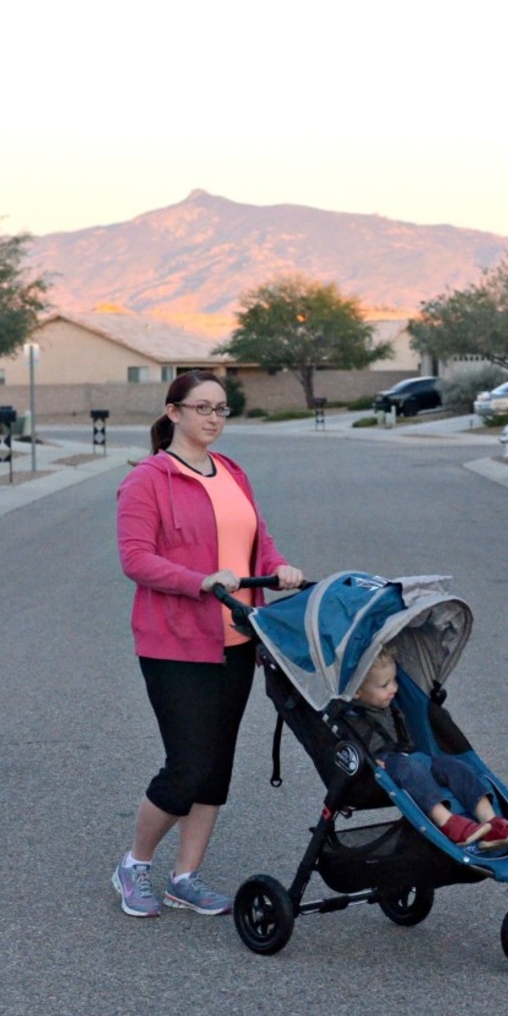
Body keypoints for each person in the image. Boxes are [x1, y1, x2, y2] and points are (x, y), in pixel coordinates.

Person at [112, 370, 303, 918]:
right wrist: (198, 581)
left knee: (216, 764)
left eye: (222, 409)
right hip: (174, 643)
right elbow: (136, 559)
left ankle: (186, 876)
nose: (214, 418)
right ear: (174, 413)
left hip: (237, 639)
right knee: (187, 766)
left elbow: (258, 544)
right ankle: (135, 864)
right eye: (202, 408)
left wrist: (277, 568)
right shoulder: (148, 479)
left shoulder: (233, 473)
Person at [345, 647, 508, 851]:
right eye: (384, 685)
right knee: (410, 767)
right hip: (386, 767)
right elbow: (352, 750)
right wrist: (369, 760)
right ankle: (447, 822)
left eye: (394, 681)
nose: (393, 689)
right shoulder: (352, 718)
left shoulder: (392, 704)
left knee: (455, 766)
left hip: (415, 758)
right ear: (357, 691)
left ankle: (492, 822)